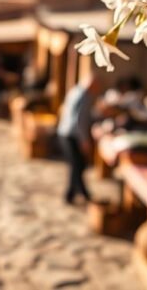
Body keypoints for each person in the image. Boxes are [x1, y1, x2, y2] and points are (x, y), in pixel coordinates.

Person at [57, 74, 103, 204]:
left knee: (77, 165)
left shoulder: (75, 91)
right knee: (77, 165)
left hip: (66, 132)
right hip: (72, 134)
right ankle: (76, 194)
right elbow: (80, 120)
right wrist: (84, 140)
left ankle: (76, 193)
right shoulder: (85, 96)